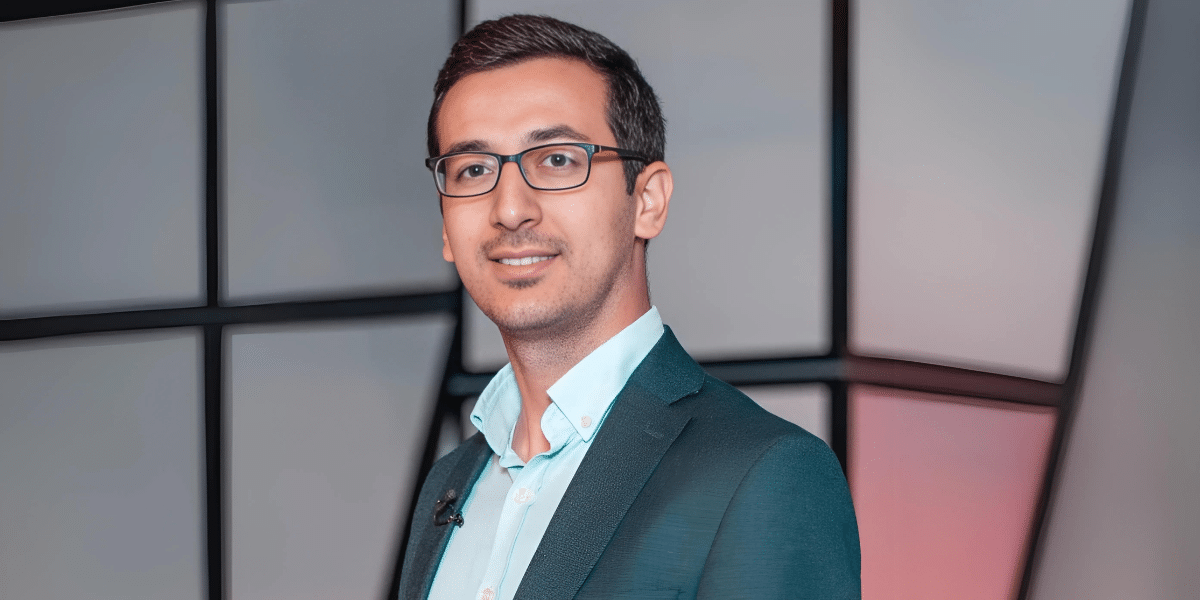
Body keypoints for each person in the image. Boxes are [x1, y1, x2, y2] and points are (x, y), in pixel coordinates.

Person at [397, 15, 860, 600]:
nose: (510, 209)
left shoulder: (763, 472)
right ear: (445, 226)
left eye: (557, 160)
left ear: (648, 201)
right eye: (473, 170)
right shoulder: (450, 484)